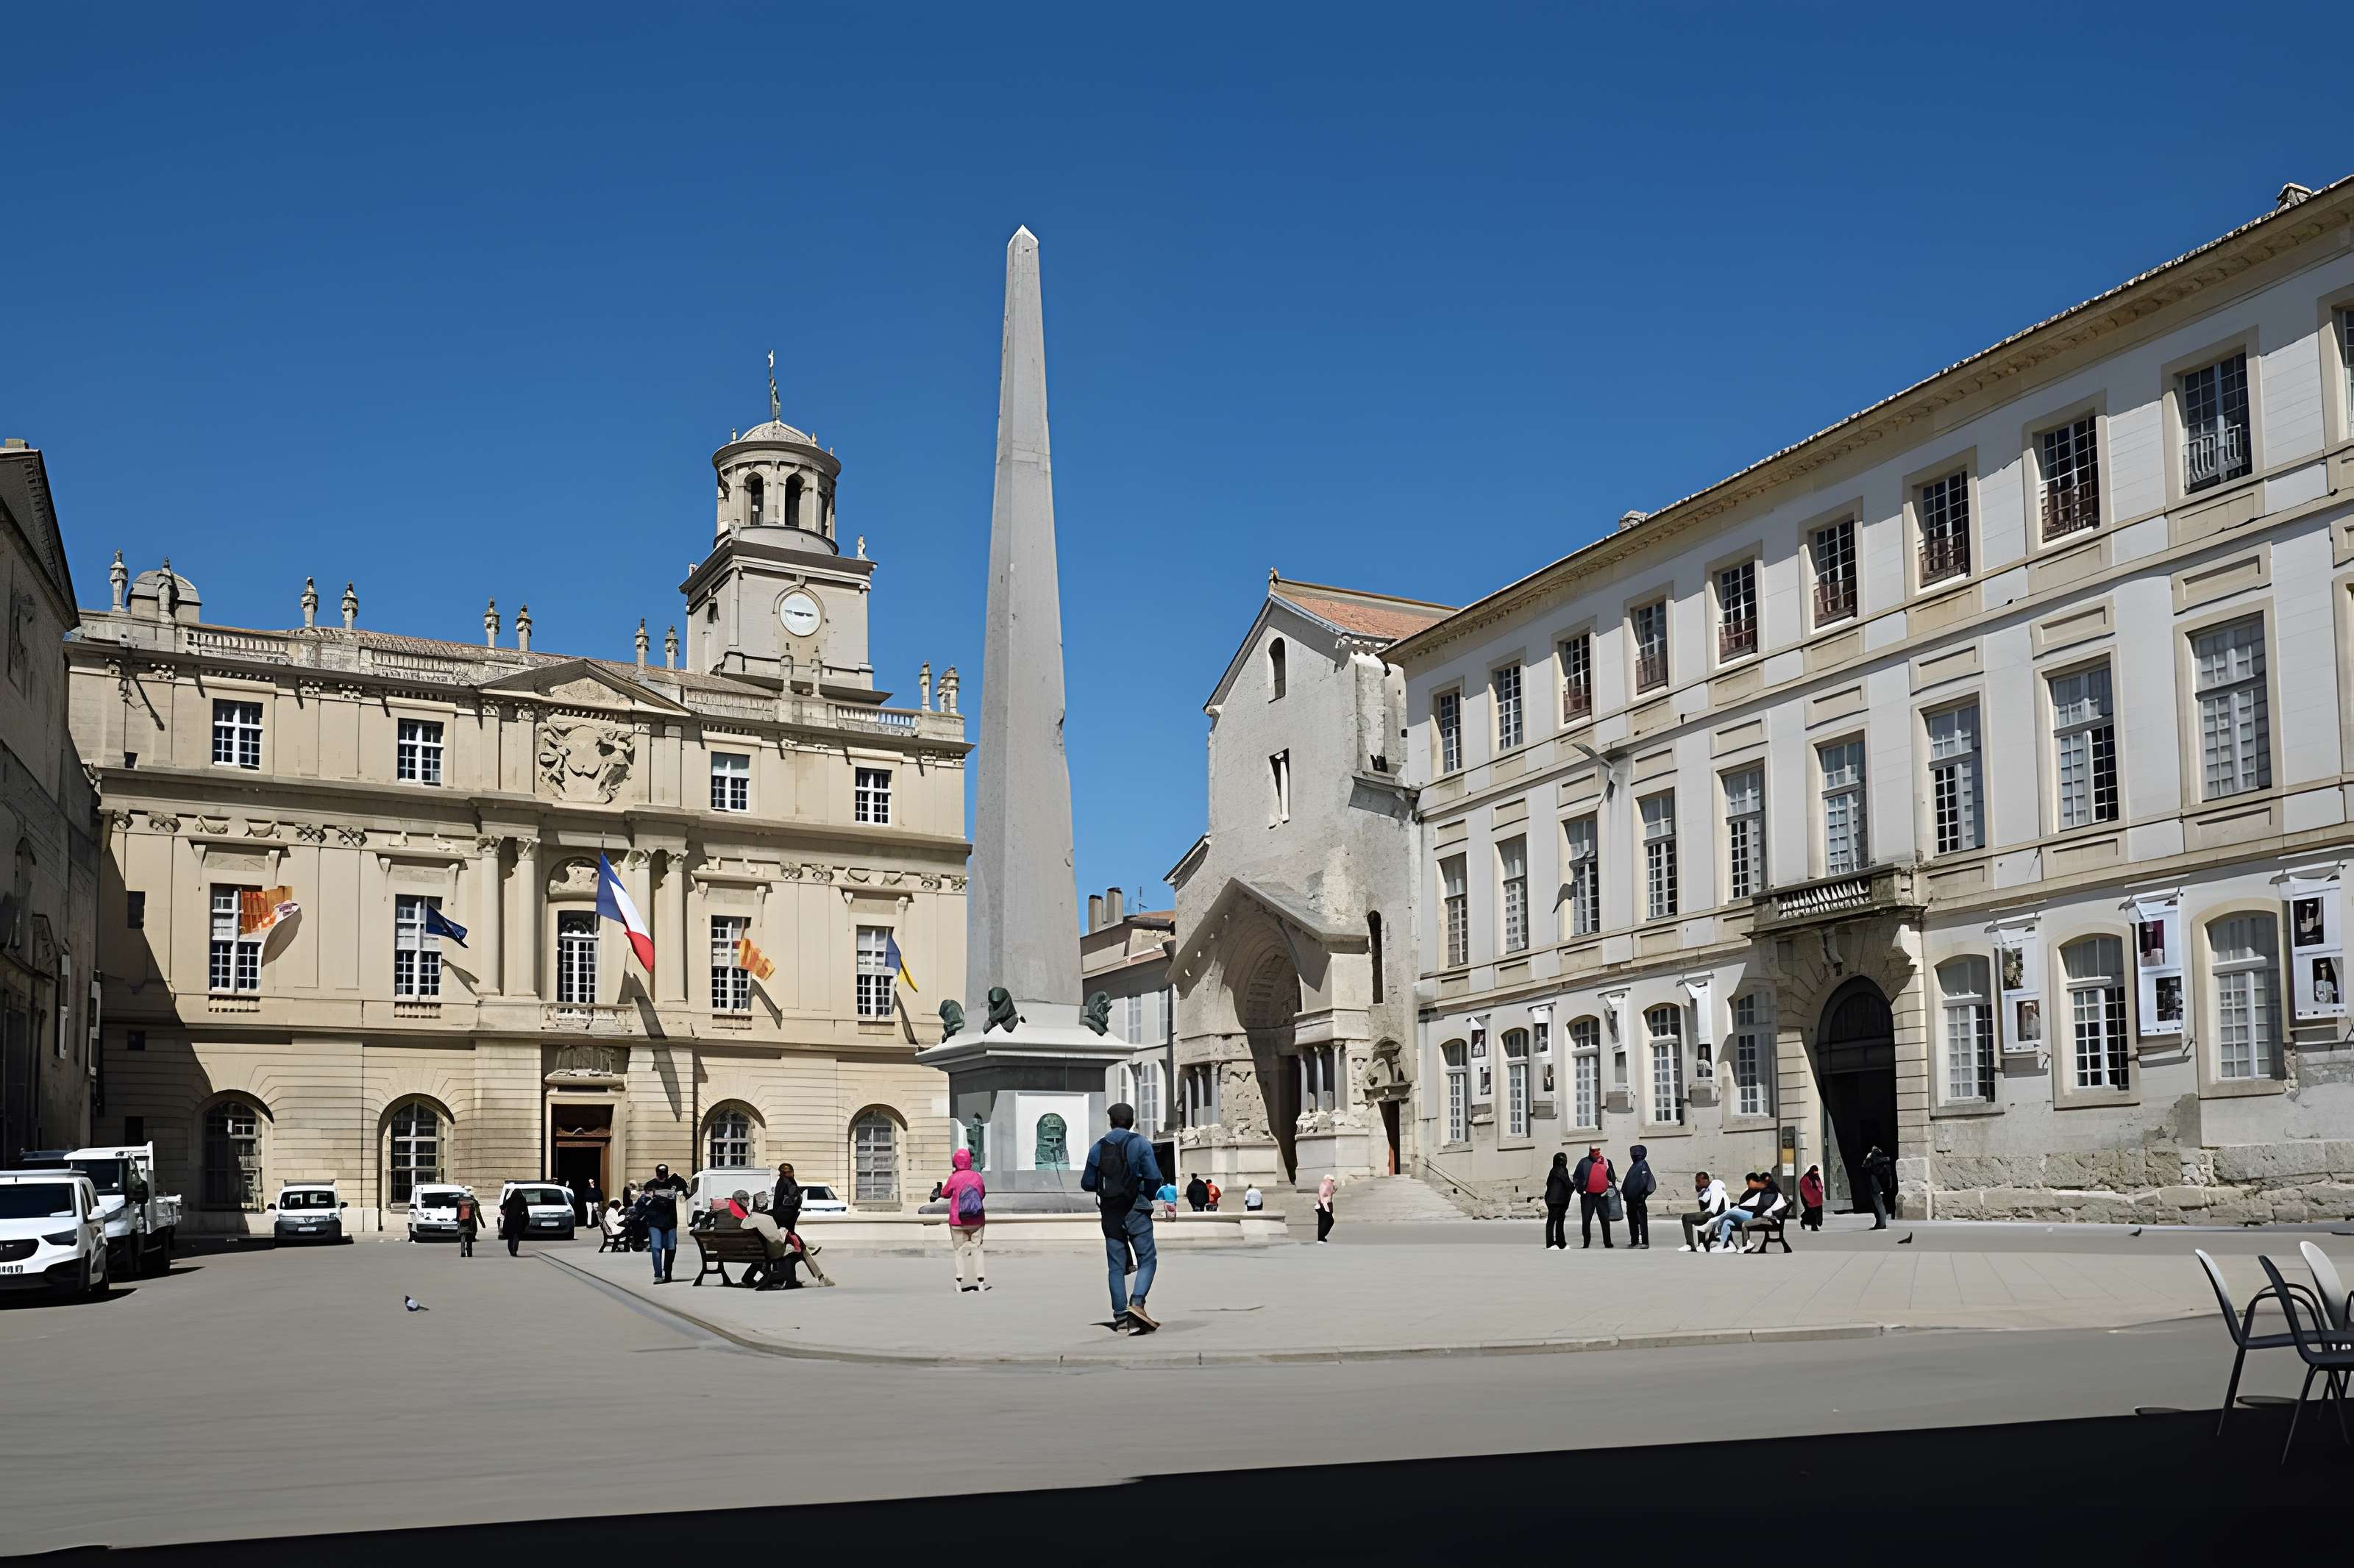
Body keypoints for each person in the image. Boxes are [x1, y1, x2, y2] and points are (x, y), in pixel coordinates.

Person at [1081, 1102, 1163, 1333]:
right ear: (1132, 1121)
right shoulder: (1140, 1144)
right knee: (1147, 1259)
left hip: (1111, 1212)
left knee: (1116, 1266)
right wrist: (1145, 1193)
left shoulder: (1099, 1146)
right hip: (1136, 1208)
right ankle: (1137, 1303)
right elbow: (1154, 1176)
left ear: (1111, 1121)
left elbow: (1087, 1183)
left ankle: (1120, 1318)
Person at [941, 1147, 988, 1293]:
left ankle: (959, 1281)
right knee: (977, 1248)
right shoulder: (977, 1177)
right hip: (976, 1219)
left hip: (957, 1221)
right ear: (970, 1161)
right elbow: (982, 1194)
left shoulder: (954, 1178)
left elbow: (945, 1193)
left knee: (959, 1250)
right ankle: (980, 1281)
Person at [736, 1195, 805, 1291]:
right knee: (792, 1250)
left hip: (746, 1251)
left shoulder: (747, 1219)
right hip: (764, 1252)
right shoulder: (767, 1218)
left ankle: (753, 1277)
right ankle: (786, 1278)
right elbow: (775, 1238)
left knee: (772, 1248)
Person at [639, 1163, 686, 1283]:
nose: (662, 1176)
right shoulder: (650, 1185)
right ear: (656, 1173)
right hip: (655, 1222)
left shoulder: (673, 1184)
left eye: (664, 1173)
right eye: (660, 1173)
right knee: (656, 1248)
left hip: (670, 1222)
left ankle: (668, 1273)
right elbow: (645, 1201)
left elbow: (686, 1189)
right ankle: (658, 1275)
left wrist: (676, 1178)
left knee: (671, 1248)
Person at [1571, 1144, 1615, 1250]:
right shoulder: (1584, 1162)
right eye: (1593, 1151)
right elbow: (1576, 1177)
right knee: (1586, 1220)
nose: (1596, 1153)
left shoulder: (1606, 1162)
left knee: (1605, 1219)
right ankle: (1586, 1242)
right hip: (1588, 1196)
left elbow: (1612, 1176)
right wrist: (1581, 1190)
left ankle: (1607, 1242)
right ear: (1590, 1151)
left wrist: (1610, 1185)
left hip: (1602, 1195)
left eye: (1598, 1150)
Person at [1678, 1171, 1730, 1252]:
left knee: (1686, 1217)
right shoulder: (1707, 1191)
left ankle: (1690, 1244)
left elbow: (1716, 1201)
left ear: (1706, 1180)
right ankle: (1701, 1244)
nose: (1697, 1183)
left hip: (1714, 1213)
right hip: (1712, 1213)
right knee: (1699, 1219)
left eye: (1699, 1181)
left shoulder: (1715, 1184)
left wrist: (1712, 1213)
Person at [1621, 1143, 1656, 1250]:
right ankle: (1635, 1241)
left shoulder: (1642, 1166)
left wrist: (1640, 1195)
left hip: (1638, 1200)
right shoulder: (1637, 1165)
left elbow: (1644, 1184)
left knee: (1639, 1221)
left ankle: (1642, 1242)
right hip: (1632, 1200)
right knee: (1633, 1221)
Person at [1541, 1152, 1572, 1250]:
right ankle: (1554, 1242)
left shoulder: (1554, 1170)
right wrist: (1574, 1186)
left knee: (1555, 1221)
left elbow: (1549, 1183)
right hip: (1557, 1200)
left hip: (1554, 1199)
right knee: (1555, 1222)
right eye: (1564, 1160)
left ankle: (1559, 1241)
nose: (1566, 1162)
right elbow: (1567, 1184)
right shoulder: (1560, 1171)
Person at [1861, 1146, 1895, 1230]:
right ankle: (1880, 1223)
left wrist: (1868, 1158)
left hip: (1875, 1184)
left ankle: (1882, 1224)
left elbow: (1865, 1166)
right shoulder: (1885, 1160)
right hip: (1882, 1183)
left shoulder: (1872, 1159)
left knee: (1878, 1203)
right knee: (1879, 1203)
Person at [772, 1163, 803, 1236]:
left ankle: (799, 1246)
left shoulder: (786, 1181)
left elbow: (778, 1198)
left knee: (788, 1233)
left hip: (787, 1211)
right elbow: (779, 1198)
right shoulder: (785, 1181)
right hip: (786, 1212)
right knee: (788, 1233)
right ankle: (799, 1246)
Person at [499, 1186, 528, 1258]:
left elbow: (503, 1206)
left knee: (510, 1237)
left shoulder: (511, 1199)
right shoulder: (523, 1199)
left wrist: (502, 1207)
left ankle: (511, 1251)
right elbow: (526, 1211)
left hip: (510, 1222)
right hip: (519, 1221)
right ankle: (515, 1250)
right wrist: (526, 1220)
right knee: (516, 1235)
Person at [1798, 1165, 1826, 1233]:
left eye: (1817, 1172)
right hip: (1807, 1199)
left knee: (1812, 1212)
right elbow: (1806, 1190)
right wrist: (1815, 1194)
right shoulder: (1806, 1178)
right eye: (1814, 1172)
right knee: (1812, 1213)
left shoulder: (1816, 1178)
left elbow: (1819, 1186)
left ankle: (1804, 1219)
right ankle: (1814, 1227)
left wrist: (1818, 1194)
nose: (1816, 1173)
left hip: (1816, 1199)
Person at [454, 1191, 480, 1258]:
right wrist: (482, 1223)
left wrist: (457, 1220)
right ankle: (469, 1253)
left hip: (462, 1220)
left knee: (462, 1236)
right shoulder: (474, 1202)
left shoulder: (459, 1203)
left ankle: (463, 1253)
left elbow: (457, 1213)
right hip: (471, 1221)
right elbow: (478, 1213)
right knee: (470, 1238)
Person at [1314, 1172, 1337, 1243]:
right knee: (1327, 1221)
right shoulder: (1324, 1185)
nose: (1332, 1182)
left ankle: (1321, 1238)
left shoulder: (1329, 1185)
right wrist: (1325, 1207)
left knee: (1324, 1221)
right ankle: (1321, 1237)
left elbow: (1330, 1194)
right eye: (1331, 1181)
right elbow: (1321, 1197)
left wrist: (1334, 1188)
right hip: (1324, 1205)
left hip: (1327, 1204)